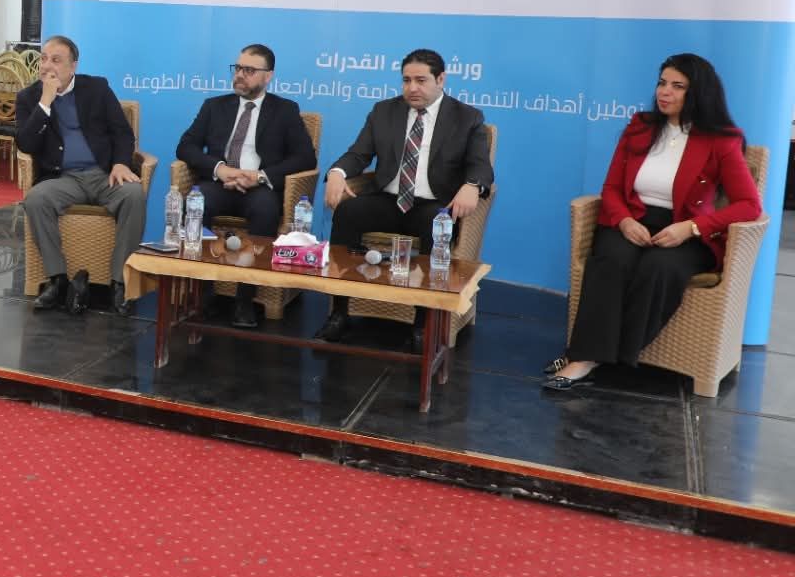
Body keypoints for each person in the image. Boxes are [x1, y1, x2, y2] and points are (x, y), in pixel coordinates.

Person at [544, 54, 760, 390]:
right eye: (662, 83)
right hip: (635, 217)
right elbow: (611, 188)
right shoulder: (640, 126)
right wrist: (624, 221)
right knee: (611, 260)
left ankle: (598, 354)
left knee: (659, 267)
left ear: (698, 92)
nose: (664, 92)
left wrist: (690, 228)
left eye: (677, 86)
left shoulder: (721, 139)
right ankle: (585, 358)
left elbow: (749, 205)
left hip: (687, 229)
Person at [319, 49, 494, 348]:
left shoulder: (467, 117)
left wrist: (473, 185)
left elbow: (480, 165)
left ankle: (423, 322)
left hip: (434, 204)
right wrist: (337, 172)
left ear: (441, 79)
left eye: (421, 80)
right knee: (348, 213)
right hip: (389, 199)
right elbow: (358, 153)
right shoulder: (384, 111)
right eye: (406, 80)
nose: (412, 88)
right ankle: (340, 311)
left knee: (436, 225)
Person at [175, 43, 317, 327]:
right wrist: (221, 169)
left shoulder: (285, 110)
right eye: (238, 68)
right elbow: (186, 146)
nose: (240, 75)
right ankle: (201, 290)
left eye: (249, 70)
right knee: (195, 202)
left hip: (260, 188)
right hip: (220, 183)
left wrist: (259, 176)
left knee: (266, 209)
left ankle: (245, 298)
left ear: (268, 76)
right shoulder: (214, 106)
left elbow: (305, 157)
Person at [17, 35, 146, 317]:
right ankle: (57, 280)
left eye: (56, 60)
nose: (47, 66)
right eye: (43, 59)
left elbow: (122, 133)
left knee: (134, 194)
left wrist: (121, 163)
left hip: (104, 175)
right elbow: (26, 144)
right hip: (63, 179)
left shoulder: (97, 88)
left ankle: (120, 282)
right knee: (36, 199)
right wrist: (45, 102)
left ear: (73, 66)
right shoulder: (29, 98)